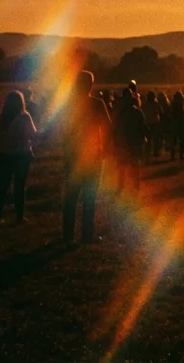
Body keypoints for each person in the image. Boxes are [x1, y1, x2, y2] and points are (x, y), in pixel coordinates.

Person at [62, 70, 112, 244]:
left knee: (71, 197)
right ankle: (86, 234)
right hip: (92, 156)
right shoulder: (97, 104)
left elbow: (63, 130)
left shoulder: (69, 105)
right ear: (90, 85)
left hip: (73, 154)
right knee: (89, 197)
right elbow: (107, 127)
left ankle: (67, 234)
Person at [0, 91, 38, 224]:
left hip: (5, 155)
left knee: (2, 186)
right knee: (20, 186)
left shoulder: (2, 117)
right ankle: (19, 216)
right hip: (21, 155)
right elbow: (32, 135)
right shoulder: (24, 117)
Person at [112, 88, 147, 194]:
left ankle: (120, 187)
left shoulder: (120, 113)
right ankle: (136, 187)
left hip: (123, 143)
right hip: (134, 143)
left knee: (122, 167)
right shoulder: (137, 111)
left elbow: (115, 128)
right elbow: (143, 127)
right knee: (135, 166)